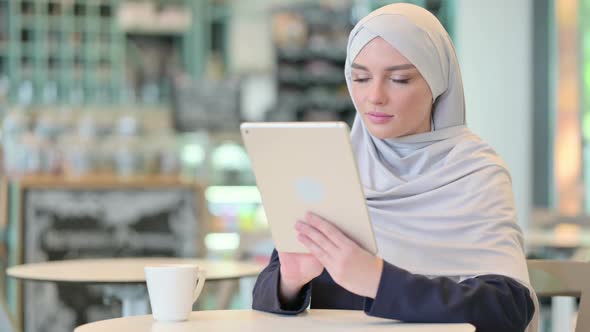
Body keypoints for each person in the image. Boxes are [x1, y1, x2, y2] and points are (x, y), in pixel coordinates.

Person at [252, 3, 537, 332]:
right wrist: (290, 280)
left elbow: (507, 308)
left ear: (437, 82)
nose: (374, 96)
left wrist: (377, 280)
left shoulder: (474, 171)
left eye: (399, 79)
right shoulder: (335, 166)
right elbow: (266, 295)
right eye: (360, 78)